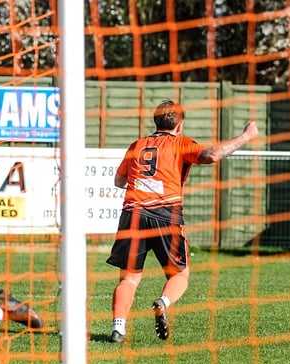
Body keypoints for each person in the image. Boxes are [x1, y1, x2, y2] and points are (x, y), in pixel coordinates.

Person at [106, 99, 259, 343]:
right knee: (180, 274)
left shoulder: (137, 145)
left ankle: (118, 329)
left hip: (133, 214)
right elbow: (212, 155)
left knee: (129, 278)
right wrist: (246, 136)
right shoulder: (180, 143)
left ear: (156, 121)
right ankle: (163, 302)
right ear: (179, 125)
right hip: (166, 214)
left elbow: (119, 181)